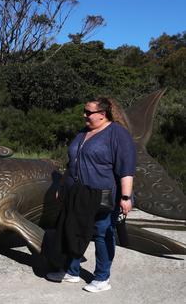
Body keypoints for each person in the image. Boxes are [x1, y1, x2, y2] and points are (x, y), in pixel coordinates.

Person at [46, 97, 135, 293]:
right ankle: (72, 271)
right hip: (77, 192)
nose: (84, 115)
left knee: (102, 233)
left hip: (101, 193)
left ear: (102, 115)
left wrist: (126, 197)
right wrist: (62, 184)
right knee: (73, 229)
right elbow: (72, 162)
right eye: (84, 111)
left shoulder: (117, 134)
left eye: (88, 112)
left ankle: (102, 278)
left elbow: (126, 168)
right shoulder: (83, 132)